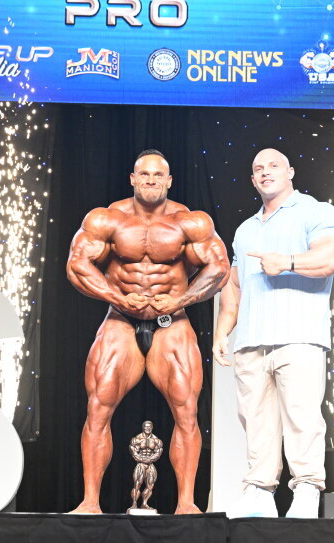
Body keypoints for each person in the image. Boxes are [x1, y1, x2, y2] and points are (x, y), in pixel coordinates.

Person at [67, 149, 230, 514]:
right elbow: (77, 265)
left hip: (171, 321)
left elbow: (219, 268)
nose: (151, 180)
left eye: (158, 175)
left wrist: (180, 300)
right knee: (98, 406)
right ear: (133, 179)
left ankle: (186, 502)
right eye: (144, 174)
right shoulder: (106, 219)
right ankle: (90, 501)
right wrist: (117, 297)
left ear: (169, 181)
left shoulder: (191, 223)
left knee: (186, 410)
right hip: (120, 319)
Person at [213, 147, 334, 519]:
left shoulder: (316, 211)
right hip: (250, 341)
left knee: (302, 418)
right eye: (258, 168)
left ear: (290, 171)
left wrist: (287, 262)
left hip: (299, 336)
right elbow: (235, 285)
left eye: (273, 165)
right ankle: (259, 492)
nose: (265, 171)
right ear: (252, 179)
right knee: (255, 421)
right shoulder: (246, 229)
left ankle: (306, 490)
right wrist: (222, 331)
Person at [128, 421, 163, 512]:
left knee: (150, 485)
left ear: (152, 428)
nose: (148, 428)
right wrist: (141, 459)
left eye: (149, 427)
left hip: (150, 464)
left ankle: (144, 503)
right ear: (143, 427)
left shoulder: (156, 440)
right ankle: (134, 503)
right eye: (146, 427)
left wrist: (150, 459)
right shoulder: (137, 439)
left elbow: (158, 452)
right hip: (141, 464)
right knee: (137, 484)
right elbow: (133, 451)